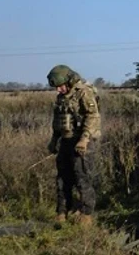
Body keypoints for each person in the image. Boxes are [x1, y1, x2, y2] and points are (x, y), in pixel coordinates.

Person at [45, 64, 101, 227]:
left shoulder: (83, 92)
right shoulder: (61, 97)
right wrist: (54, 140)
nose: (58, 90)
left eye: (60, 86)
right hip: (66, 140)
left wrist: (84, 139)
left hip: (82, 142)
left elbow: (93, 116)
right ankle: (62, 211)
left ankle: (86, 214)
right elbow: (58, 120)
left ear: (69, 81)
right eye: (56, 87)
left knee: (82, 177)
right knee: (62, 179)